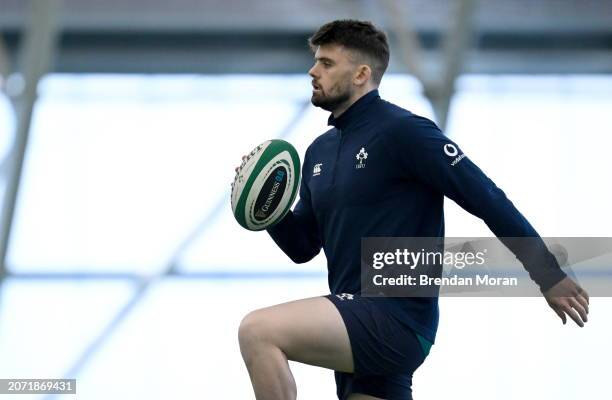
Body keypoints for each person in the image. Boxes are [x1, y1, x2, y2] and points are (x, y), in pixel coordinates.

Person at [237, 19, 589, 400]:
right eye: (315, 61)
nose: (313, 70)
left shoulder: (404, 132)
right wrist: (266, 209)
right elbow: (302, 247)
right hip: (355, 319)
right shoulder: (318, 152)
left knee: (258, 331)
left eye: (326, 63)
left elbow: (488, 197)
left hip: (396, 317)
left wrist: (547, 273)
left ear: (361, 74)